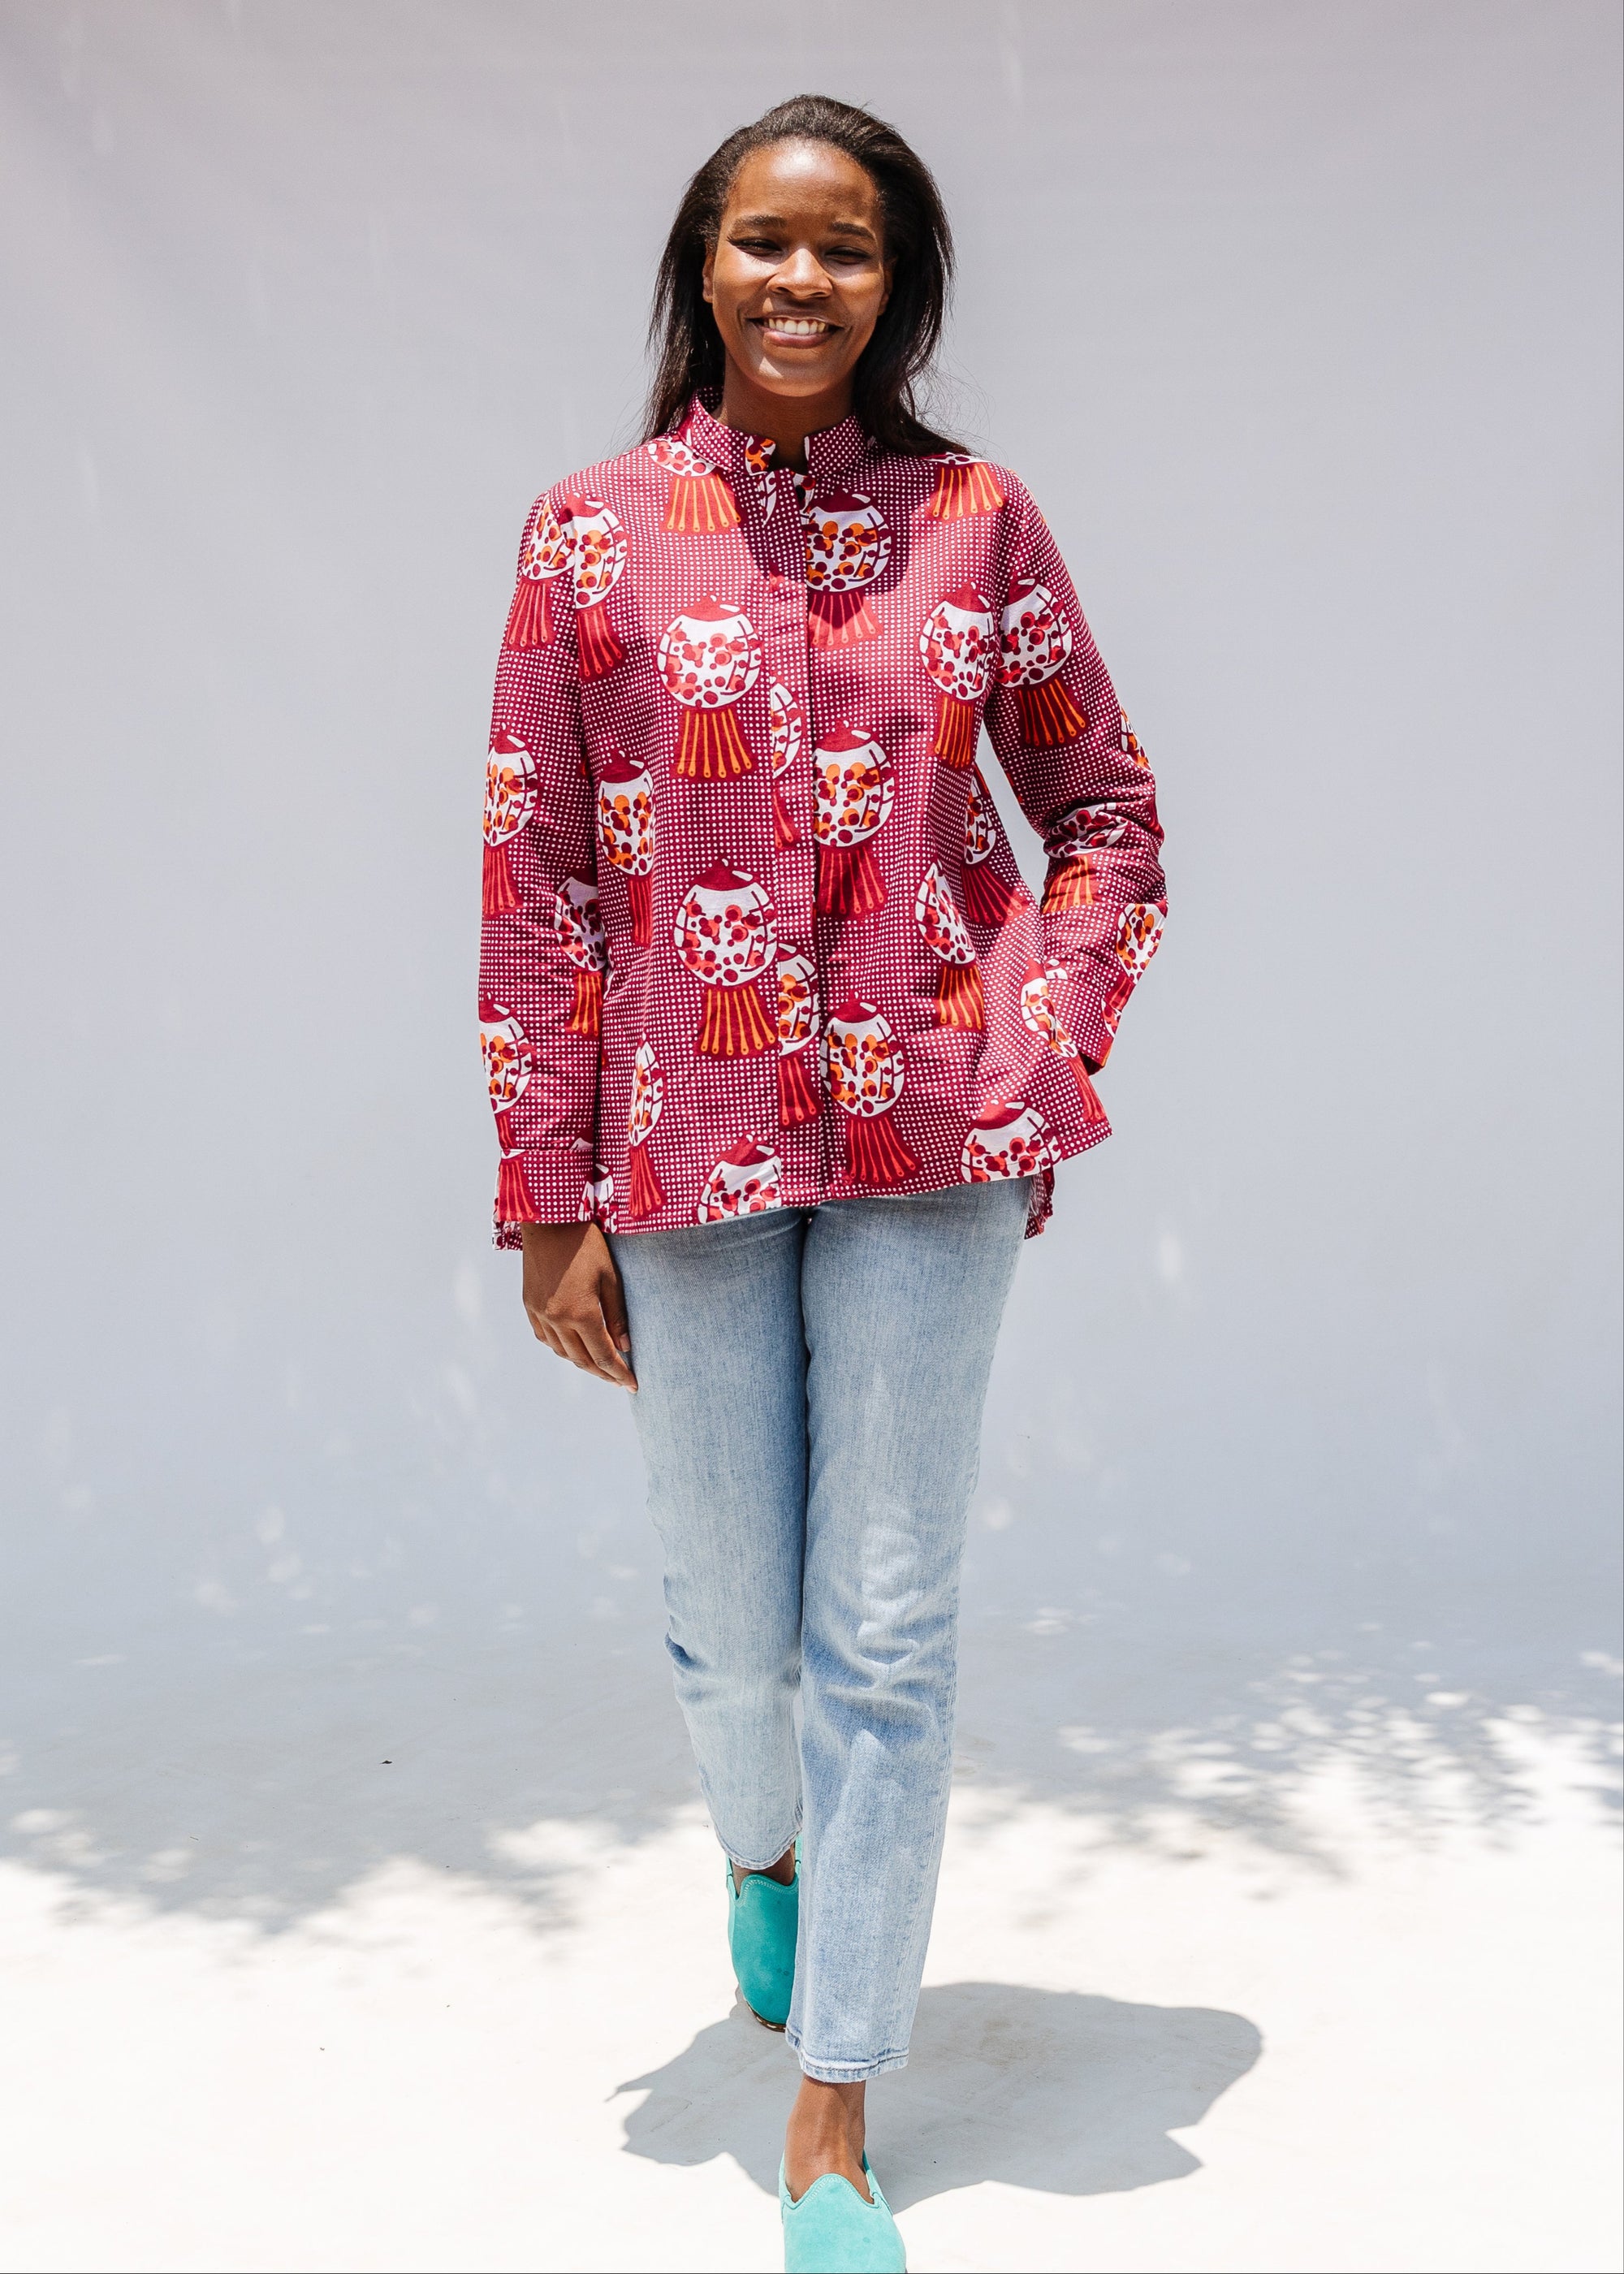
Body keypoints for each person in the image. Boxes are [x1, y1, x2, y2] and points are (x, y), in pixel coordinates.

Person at [477, 93, 1166, 2274]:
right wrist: (543, 1184)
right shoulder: (593, 536)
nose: (802, 282)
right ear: (704, 263)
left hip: (932, 1139)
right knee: (727, 1620)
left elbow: (1111, 817)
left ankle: (839, 2105)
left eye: (846, 249)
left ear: (899, 283)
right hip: (683, 1140)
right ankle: (765, 1856)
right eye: (766, 243)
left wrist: (1035, 1033)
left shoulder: (977, 519)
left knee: (883, 1624)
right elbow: (541, 879)